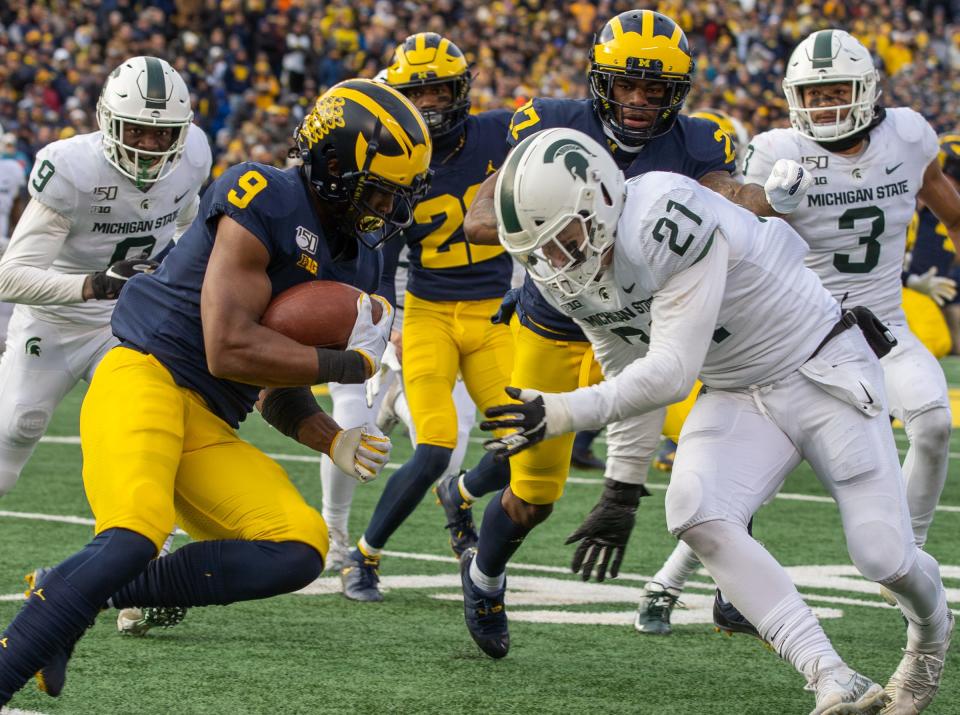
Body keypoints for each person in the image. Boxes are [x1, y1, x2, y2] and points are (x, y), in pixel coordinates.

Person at [479, 127, 953, 715]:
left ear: (598, 200)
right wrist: (622, 489)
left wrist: (560, 411)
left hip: (819, 363)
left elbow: (672, 373)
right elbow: (626, 370)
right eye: (538, 253)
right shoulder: (572, 277)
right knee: (696, 513)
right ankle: (832, 677)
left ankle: (929, 639)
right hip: (735, 389)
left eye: (563, 239)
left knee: (884, 557)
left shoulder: (660, 214)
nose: (556, 262)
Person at [0, 77, 431, 706]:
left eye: (399, 196)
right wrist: (351, 364)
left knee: (299, 549)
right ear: (333, 165)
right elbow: (228, 347)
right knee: (133, 533)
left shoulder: (359, 257)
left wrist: (328, 436)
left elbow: (274, 386)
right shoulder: (264, 194)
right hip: (145, 375)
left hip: (209, 419)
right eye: (380, 192)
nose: (389, 210)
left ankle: (69, 591)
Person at [461, 9, 811, 639]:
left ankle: (736, 588)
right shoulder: (555, 124)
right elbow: (482, 215)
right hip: (558, 319)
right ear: (602, 81)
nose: (640, 100)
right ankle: (485, 579)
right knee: (535, 492)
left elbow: (726, 195)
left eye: (655, 90)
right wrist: (532, 225)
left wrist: (772, 198)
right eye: (626, 85)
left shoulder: (698, 141)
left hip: (648, 325)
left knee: (725, 446)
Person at [745, 29, 960, 571]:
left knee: (934, 422)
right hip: (802, 337)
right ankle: (670, 580)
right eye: (814, 94)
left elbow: (953, 213)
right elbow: (741, 236)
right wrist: (770, 203)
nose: (824, 104)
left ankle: (907, 557)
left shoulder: (907, 136)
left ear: (865, 89)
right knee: (763, 469)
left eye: (836, 90)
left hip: (883, 326)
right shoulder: (777, 150)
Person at [339, 32, 516, 602]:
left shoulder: (502, 131)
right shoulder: (394, 160)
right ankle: (363, 557)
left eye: (442, 90)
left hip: (493, 316)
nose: (433, 104)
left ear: (462, 90)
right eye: (420, 93)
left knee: (529, 441)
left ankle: (459, 496)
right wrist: (380, 322)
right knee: (435, 445)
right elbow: (382, 257)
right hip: (432, 314)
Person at [905, 133, 960, 353]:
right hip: (905, 289)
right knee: (934, 341)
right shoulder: (908, 202)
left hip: (943, 288)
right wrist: (909, 279)